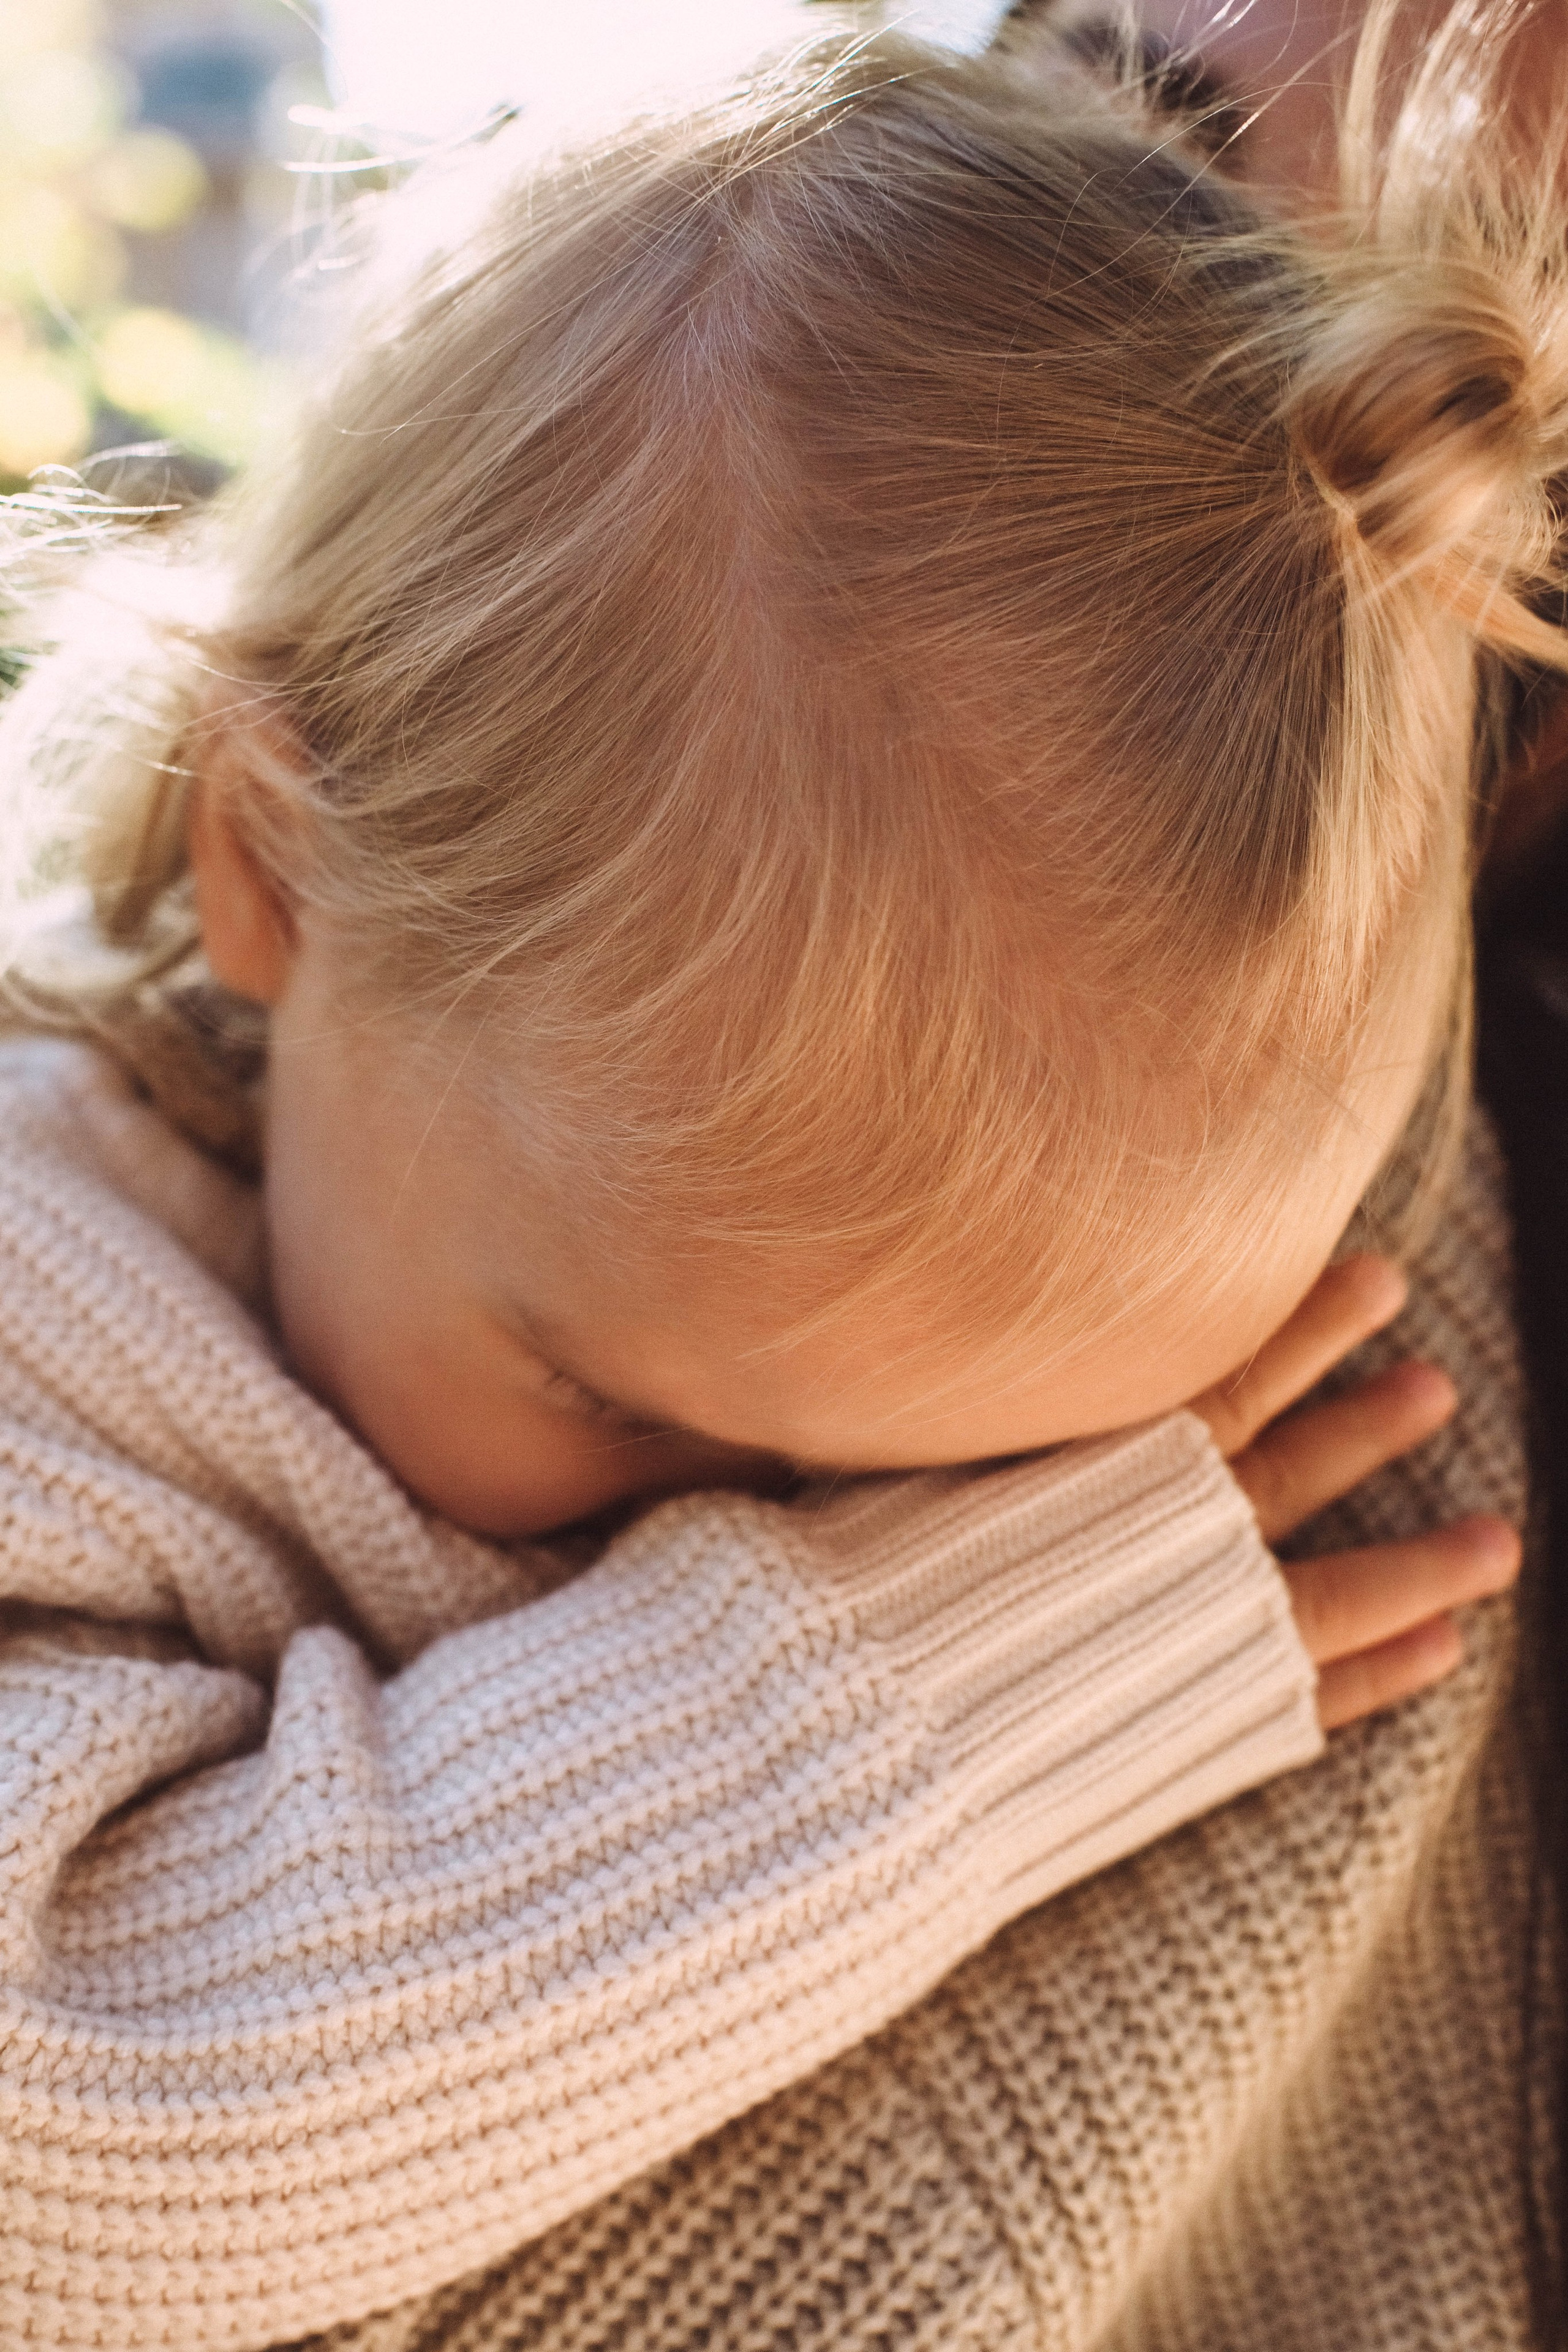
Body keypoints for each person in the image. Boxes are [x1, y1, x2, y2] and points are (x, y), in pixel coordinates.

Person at [0, 0, 1555, 2342]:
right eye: (627, 1405)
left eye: (961, 1497)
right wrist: (956, 1676)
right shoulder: (49, 1308)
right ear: (276, 868)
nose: (733, 1543)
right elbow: (50, 2144)